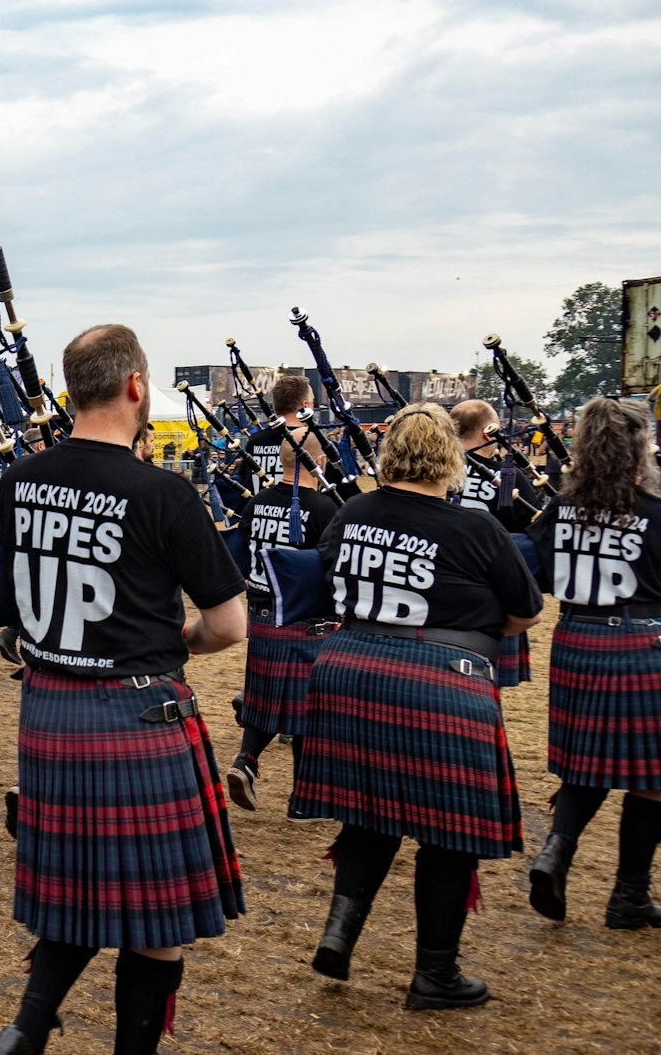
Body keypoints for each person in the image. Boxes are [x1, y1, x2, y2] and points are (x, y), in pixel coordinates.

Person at [0, 325, 247, 1055]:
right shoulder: (163, 492)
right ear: (135, 386)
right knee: (156, 920)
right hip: (138, 710)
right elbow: (228, 624)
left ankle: (26, 1028)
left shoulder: (20, 479)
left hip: (48, 706)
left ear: (73, 390)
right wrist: (179, 641)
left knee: (77, 888)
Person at [293, 403, 541, 1010]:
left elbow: (325, 579)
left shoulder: (354, 512)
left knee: (370, 813)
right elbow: (526, 612)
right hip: (439, 682)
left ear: (390, 455)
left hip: (348, 670)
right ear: (450, 458)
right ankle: (436, 974)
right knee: (451, 834)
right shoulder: (476, 528)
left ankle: (338, 935)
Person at [524, 397, 661, 929]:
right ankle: (629, 896)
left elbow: (536, 573)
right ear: (639, 448)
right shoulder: (654, 511)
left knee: (586, 763)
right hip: (640, 645)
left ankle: (555, 851)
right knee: (652, 778)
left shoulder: (560, 509)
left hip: (575, 641)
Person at [225, 434, 340, 819]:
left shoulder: (256, 502)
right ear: (318, 463)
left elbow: (242, 557)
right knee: (306, 710)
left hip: (261, 615)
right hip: (304, 619)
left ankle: (245, 760)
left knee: (263, 697)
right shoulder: (323, 507)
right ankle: (303, 801)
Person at [453, 398, 539, 689]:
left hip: (439, 590)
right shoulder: (509, 478)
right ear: (488, 433)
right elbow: (531, 537)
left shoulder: (433, 473)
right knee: (487, 688)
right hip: (494, 595)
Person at [242, 375, 316, 493]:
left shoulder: (255, 441)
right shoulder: (314, 442)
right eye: (313, 402)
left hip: (258, 504)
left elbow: (245, 481)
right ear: (305, 405)